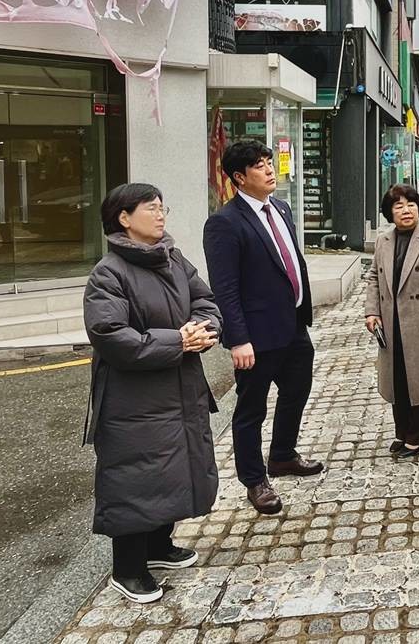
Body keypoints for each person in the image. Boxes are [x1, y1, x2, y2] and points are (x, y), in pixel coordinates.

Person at [83, 183, 221, 604]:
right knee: (135, 476)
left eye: (163, 207)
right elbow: (109, 334)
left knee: (174, 467)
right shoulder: (108, 272)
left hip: (179, 386)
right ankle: (127, 569)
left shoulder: (174, 259)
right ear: (124, 218)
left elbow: (206, 301)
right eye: (151, 208)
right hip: (132, 398)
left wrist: (202, 331)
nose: (161, 215)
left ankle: (159, 545)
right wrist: (177, 342)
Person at [203, 140, 322, 516]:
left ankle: (283, 455)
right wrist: (238, 339)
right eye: (259, 165)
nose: (270, 170)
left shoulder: (281, 208)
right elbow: (225, 288)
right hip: (256, 337)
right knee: (251, 410)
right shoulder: (224, 223)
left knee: (297, 391)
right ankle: (254, 480)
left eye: (270, 162)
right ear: (240, 177)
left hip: (293, 327)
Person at [365, 184, 419, 457]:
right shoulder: (384, 240)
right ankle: (402, 432)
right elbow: (373, 278)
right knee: (397, 381)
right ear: (389, 212)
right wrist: (372, 311)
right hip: (391, 323)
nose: (406, 210)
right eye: (399, 206)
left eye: (411, 204)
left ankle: (417, 437)